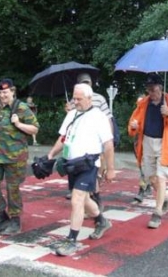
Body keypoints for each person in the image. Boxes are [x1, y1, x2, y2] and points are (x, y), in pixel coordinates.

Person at [48, 83, 115, 256]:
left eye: (79, 99)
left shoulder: (99, 117)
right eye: (74, 98)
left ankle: (71, 240)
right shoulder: (71, 114)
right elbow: (63, 138)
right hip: (72, 163)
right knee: (84, 199)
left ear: (89, 98)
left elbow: (108, 144)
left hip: (89, 164)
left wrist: (111, 169)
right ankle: (101, 221)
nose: (75, 102)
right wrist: (51, 154)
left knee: (77, 199)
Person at [128, 75, 168, 228]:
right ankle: (165, 198)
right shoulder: (143, 103)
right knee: (150, 177)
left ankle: (157, 213)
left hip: (163, 144)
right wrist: (134, 126)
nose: (150, 92)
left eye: (153, 89)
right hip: (146, 142)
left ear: (160, 87)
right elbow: (134, 124)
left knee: (161, 178)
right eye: (148, 89)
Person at [0, 79, 39, 235]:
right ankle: (1, 215)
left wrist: (19, 124)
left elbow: (35, 129)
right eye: (0, 92)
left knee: (12, 189)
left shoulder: (21, 108)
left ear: (13, 91)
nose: (2, 95)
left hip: (14, 157)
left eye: (5, 92)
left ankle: (15, 220)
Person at [65, 73, 113, 210]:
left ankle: (95, 200)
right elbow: (70, 125)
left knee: (94, 173)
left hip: (95, 144)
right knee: (84, 182)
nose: (87, 85)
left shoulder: (99, 99)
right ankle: (94, 208)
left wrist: (107, 139)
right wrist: (68, 111)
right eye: (83, 83)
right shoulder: (74, 100)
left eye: (88, 83)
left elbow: (108, 118)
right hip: (77, 147)